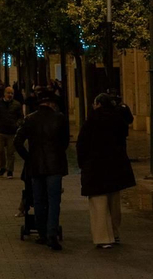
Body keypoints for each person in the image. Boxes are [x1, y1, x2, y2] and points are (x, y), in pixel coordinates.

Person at [78, 93, 136, 248]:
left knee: (99, 203)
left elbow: (82, 145)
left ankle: (104, 238)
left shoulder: (91, 121)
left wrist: (83, 164)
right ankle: (115, 233)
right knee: (114, 202)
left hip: (96, 167)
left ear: (98, 104)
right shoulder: (118, 120)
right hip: (115, 166)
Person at [15, 91, 71, 250]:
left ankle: (41, 232)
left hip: (36, 165)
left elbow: (18, 141)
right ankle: (51, 232)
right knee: (54, 200)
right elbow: (65, 142)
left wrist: (28, 157)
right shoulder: (60, 119)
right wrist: (58, 153)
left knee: (38, 199)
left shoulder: (30, 119)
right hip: (55, 166)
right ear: (52, 104)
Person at [0, 86, 23, 177]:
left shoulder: (16, 104)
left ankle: (10, 170)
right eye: (8, 93)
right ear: (4, 93)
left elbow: (21, 117)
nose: (10, 95)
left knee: (11, 152)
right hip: (1, 131)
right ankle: (2, 166)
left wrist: (17, 124)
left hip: (12, 132)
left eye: (11, 93)